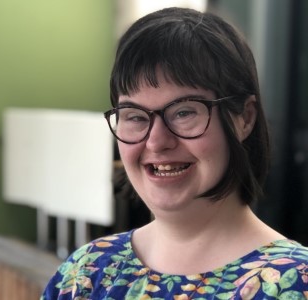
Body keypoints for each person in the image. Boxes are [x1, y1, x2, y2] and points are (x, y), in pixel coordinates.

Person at [41, 7, 308, 299]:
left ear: (244, 117)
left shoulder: (293, 283)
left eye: (183, 112)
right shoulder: (86, 274)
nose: (156, 142)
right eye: (135, 116)